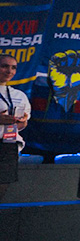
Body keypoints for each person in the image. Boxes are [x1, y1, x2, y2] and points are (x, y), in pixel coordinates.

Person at [0, 54, 31, 203]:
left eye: (13, 68)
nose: (9, 71)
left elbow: (23, 124)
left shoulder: (19, 95)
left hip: (9, 145)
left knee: (3, 186)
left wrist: (21, 122)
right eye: (4, 66)